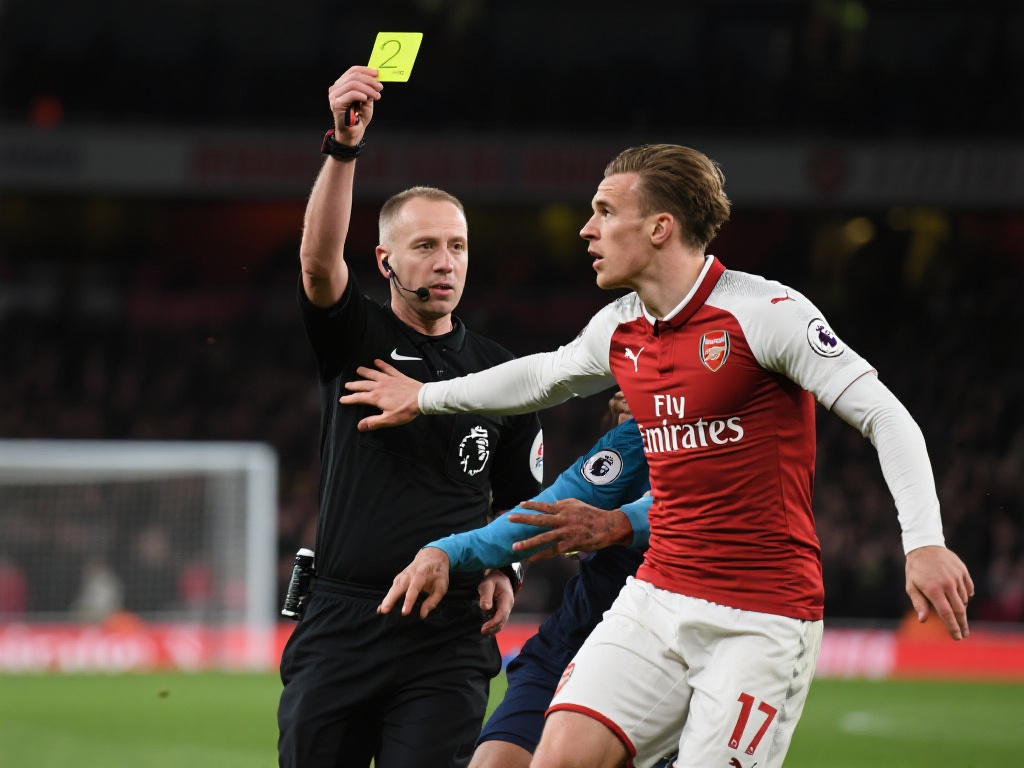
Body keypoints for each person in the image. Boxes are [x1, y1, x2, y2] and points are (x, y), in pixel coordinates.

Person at [339, 143, 974, 768]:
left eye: (605, 212)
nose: (587, 229)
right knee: (556, 758)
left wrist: (924, 542)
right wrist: (425, 397)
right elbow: (540, 377)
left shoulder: (765, 313)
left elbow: (886, 415)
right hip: (659, 595)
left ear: (660, 227)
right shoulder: (621, 324)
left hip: (760, 616)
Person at [276, 65, 544, 768]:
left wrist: (507, 568)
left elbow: (525, 500)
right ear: (385, 259)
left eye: (457, 246)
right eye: (425, 246)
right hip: (342, 620)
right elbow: (316, 264)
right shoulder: (354, 337)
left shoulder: (502, 373)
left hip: (446, 634)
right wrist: (343, 147)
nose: (444, 262)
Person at [380, 391, 651, 768]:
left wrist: (621, 523)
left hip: (672, 654)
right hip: (575, 642)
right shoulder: (637, 436)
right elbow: (542, 514)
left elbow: (697, 508)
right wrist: (444, 551)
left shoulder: (731, 444)